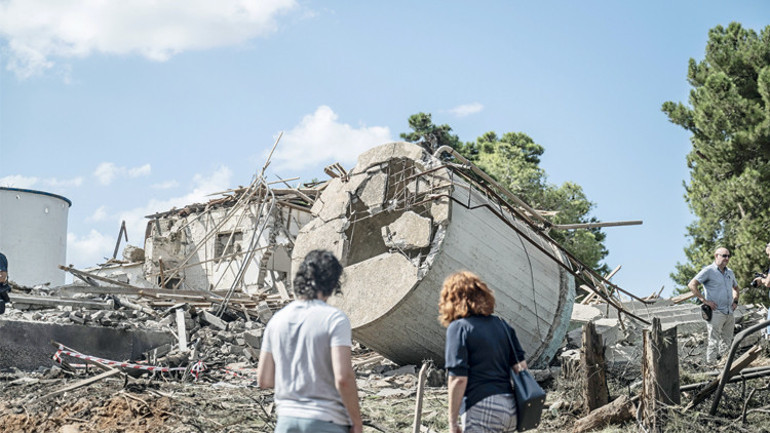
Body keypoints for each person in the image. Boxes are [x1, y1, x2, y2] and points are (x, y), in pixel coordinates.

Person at [257, 250, 363, 433]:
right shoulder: (335, 319)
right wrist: (356, 421)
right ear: (333, 283)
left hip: (286, 422)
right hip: (326, 421)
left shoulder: (277, 320)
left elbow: (264, 379)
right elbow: (343, 378)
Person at [440, 271, 527, 433]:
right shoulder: (502, 325)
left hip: (481, 407)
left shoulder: (459, 328)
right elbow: (521, 367)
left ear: (452, 300)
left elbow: (458, 379)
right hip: (510, 409)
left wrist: (452, 422)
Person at [688, 247, 741, 364]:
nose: (727, 258)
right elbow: (692, 284)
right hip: (716, 312)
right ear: (716, 256)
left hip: (729, 312)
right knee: (713, 341)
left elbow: (736, 288)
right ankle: (711, 367)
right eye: (724, 256)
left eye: (728, 256)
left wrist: (735, 301)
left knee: (727, 341)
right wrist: (704, 300)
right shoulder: (708, 271)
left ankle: (724, 366)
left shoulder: (730, 272)